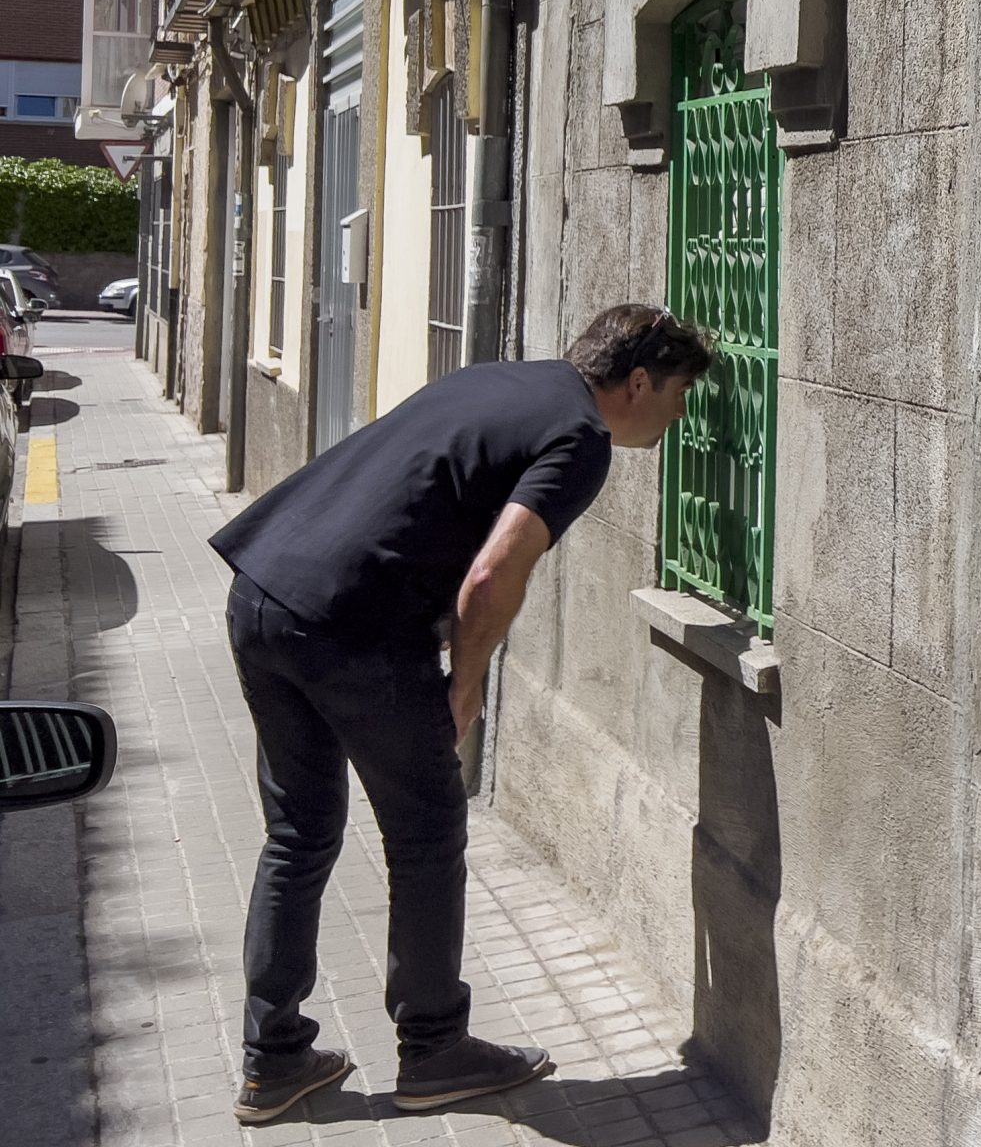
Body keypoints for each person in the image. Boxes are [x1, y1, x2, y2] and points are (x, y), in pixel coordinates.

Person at [208, 304, 715, 1123]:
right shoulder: (580, 438)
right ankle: (436, 1047)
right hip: (355, 627)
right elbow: (492, 575)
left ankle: (273, 1060)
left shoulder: (498, 379)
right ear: (639, 381)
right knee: (427, 831)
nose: (679, 414)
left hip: (263, 589)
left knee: (299, 833)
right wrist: (469, 681)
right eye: (681, 393)